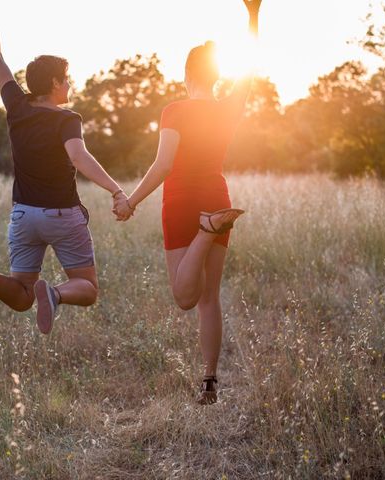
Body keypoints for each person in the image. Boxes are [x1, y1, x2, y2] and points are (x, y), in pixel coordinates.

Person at [0, 0, 129, 335]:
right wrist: (116, 190)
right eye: (66, 80)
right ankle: (55, 293)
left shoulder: (17, 107)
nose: (69, 85)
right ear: (53, 83)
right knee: (87, 288)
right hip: (61, 216)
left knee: (22, 296)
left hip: (23, 217)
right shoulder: (67, 119)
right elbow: (79, 158)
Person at [113, 12, 255, 404]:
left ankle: (206, 231)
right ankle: (209, 381)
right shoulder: (229, 107)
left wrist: (131, 202)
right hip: (217, 196)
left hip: (181, 201)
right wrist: (254, 16)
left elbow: (163, 165)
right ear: (216, 75)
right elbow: (252, 67)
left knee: (183, 297)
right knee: (209, 297)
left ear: (186, 74)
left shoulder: (174, 110)